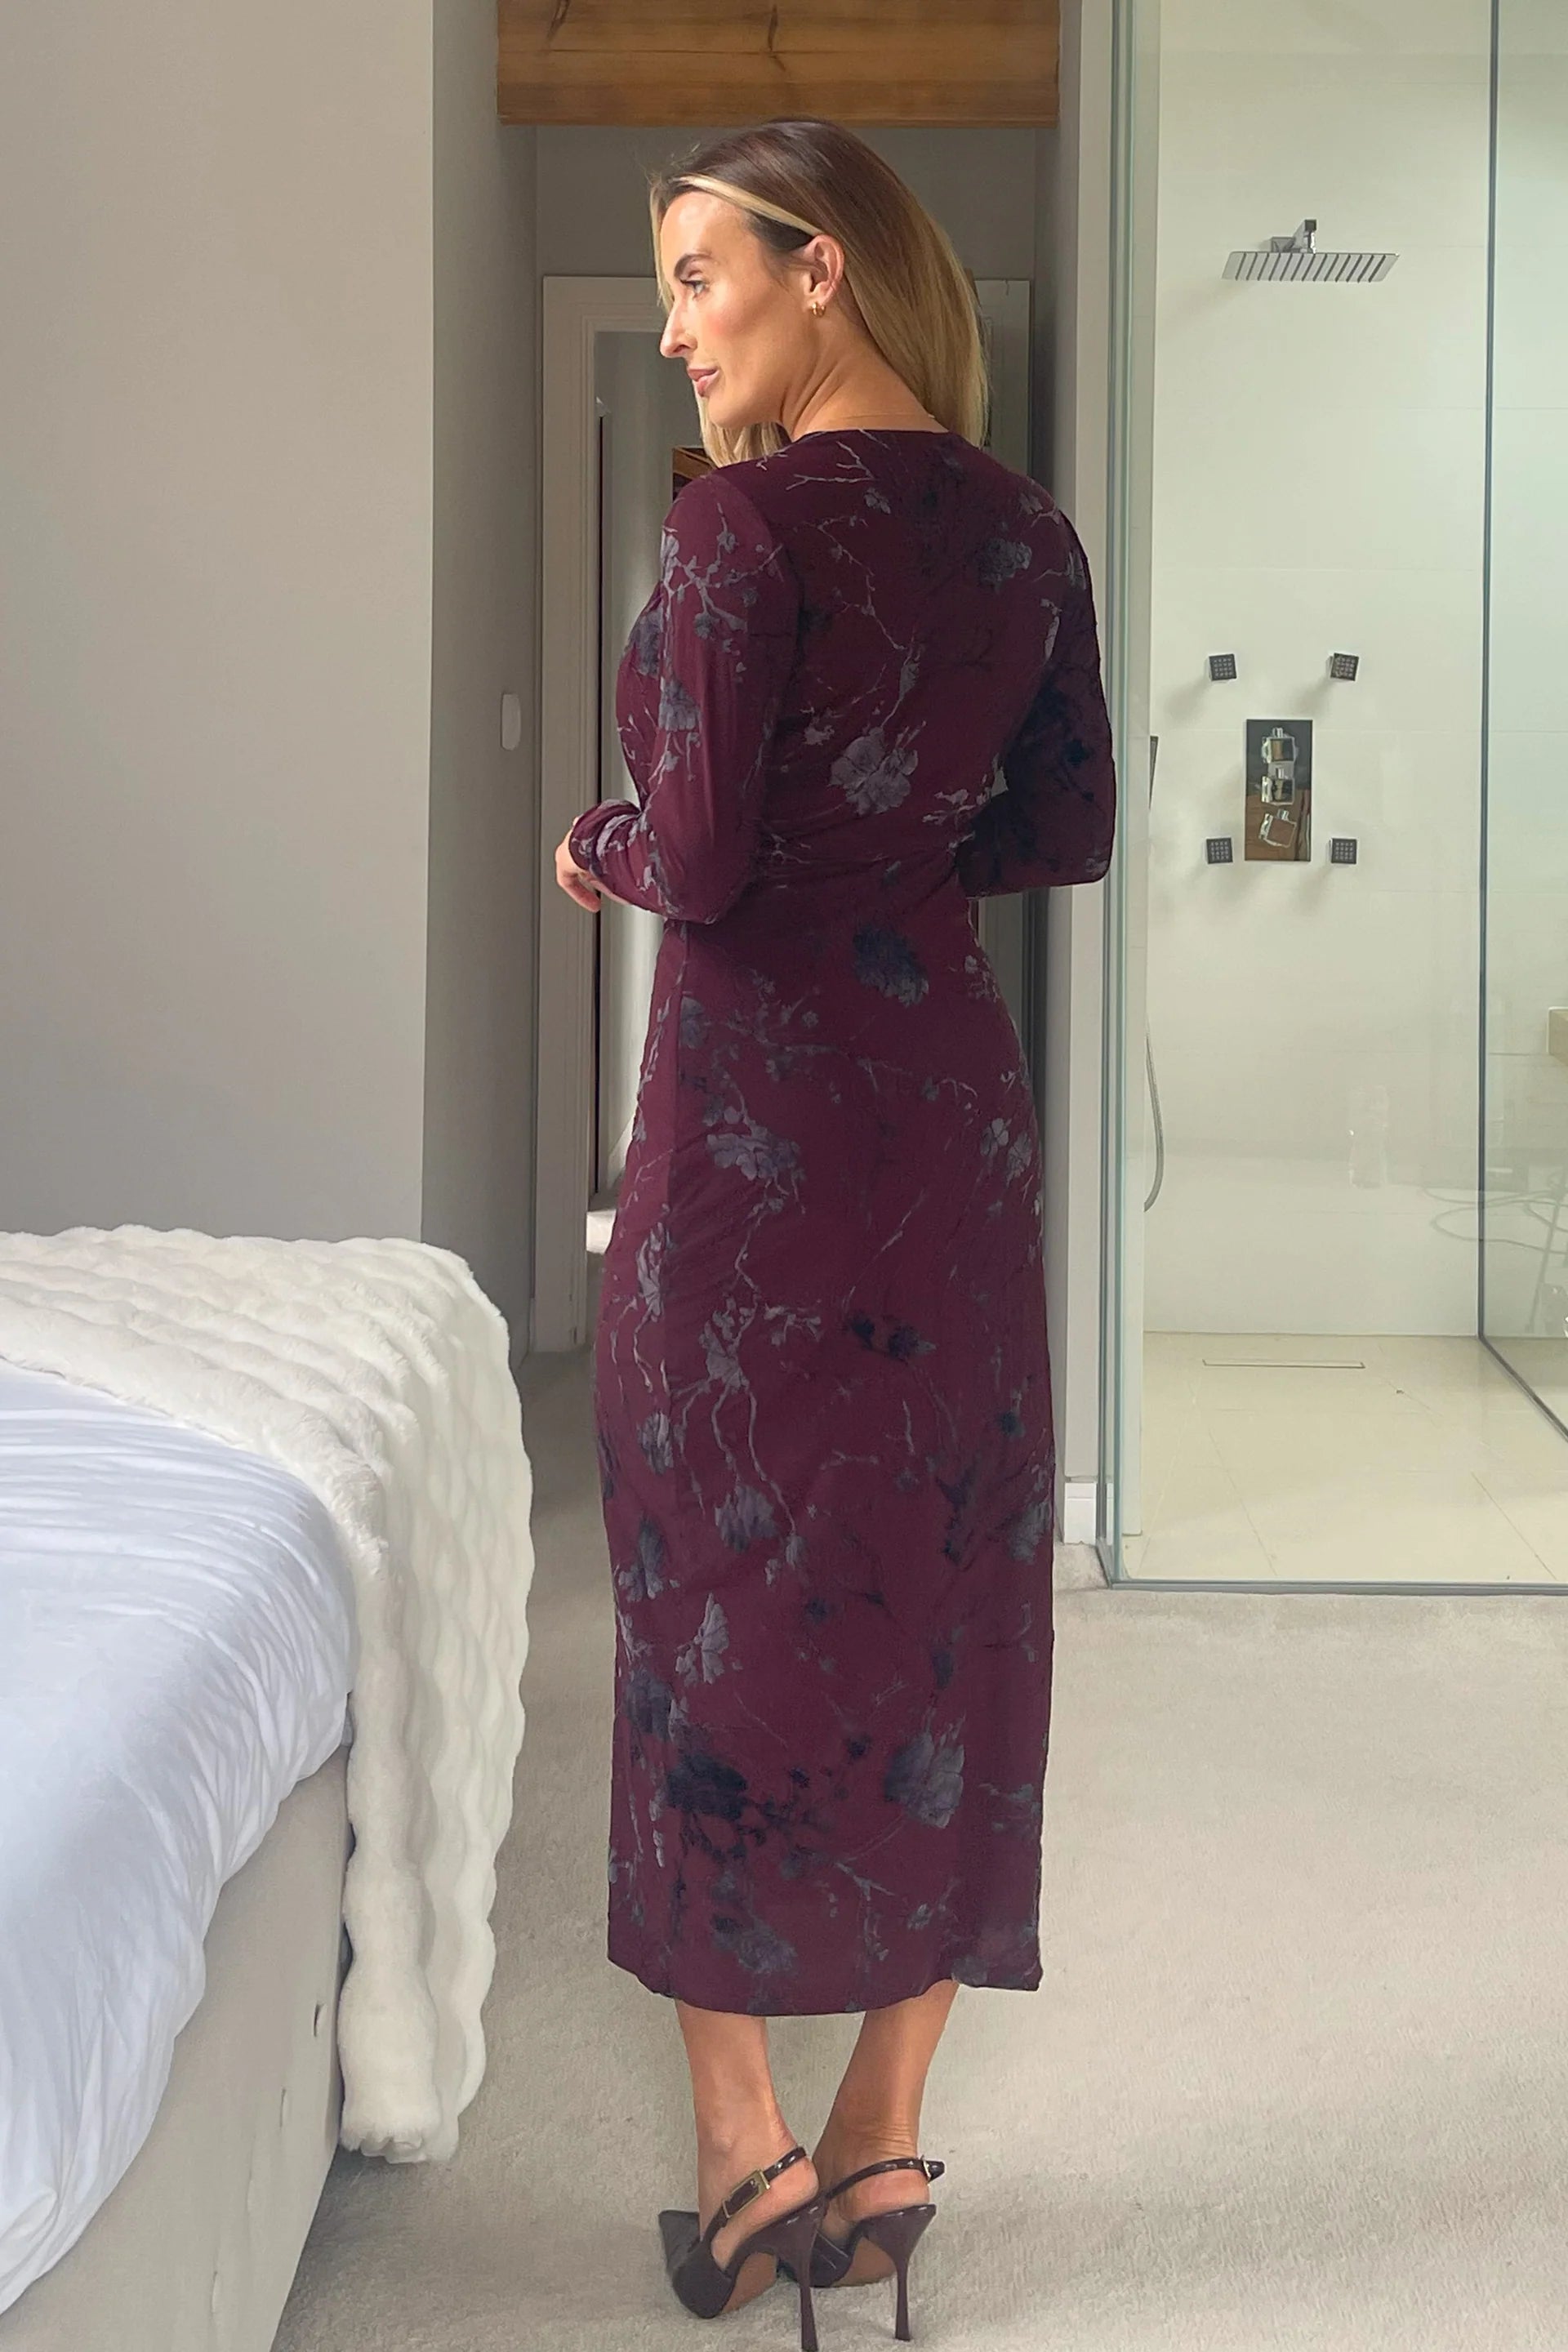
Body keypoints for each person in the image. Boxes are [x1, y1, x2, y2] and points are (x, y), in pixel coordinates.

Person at [554, 118, 1116, 2347]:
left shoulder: (739, 531)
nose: (677, 328)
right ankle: (884, 2141)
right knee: (949, 1588)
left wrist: (597, 843)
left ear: (825, 270)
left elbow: (691, 855)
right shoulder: (1025, 533)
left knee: (705, 1589)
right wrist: (882, 832)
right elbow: (1059, 826)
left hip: (755, 1136)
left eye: (700, 278)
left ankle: (745, 2155)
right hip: (944, 1123)